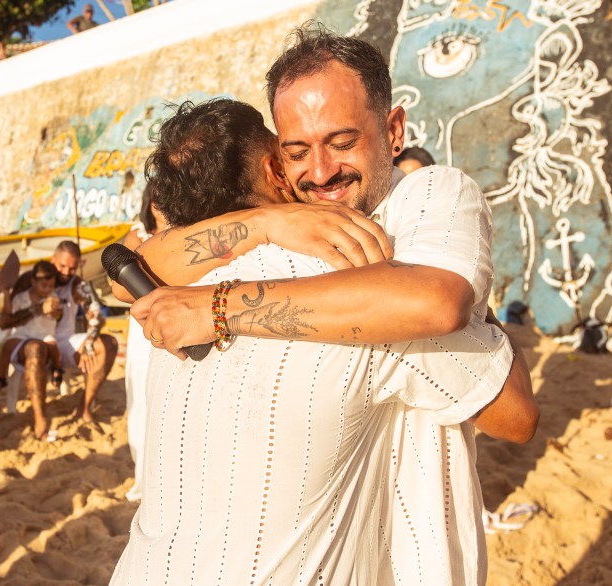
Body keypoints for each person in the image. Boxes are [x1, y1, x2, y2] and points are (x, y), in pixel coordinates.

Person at [110, 97, 537, 584]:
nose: (317, 170)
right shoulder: (356, 298)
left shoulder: (170, 294)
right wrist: (466, 289)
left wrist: (259, 234)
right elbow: (516, 414)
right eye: (294, 151)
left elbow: (124, 267)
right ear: (275, 167)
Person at [121, 185, 167, 501]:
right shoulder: (137, 235)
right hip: (145, 326)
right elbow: (119, 285)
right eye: (157, 199)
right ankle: (146, 475)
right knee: (143, 398)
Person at [50, 241, 119, 426]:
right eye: (62, 266)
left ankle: (84, 407)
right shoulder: (38, 278)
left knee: (108, 344)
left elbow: (96, 315)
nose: (66, 272)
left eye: (72, 268)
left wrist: (89, 342)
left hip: (65, 342)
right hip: (40, 341)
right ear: (52, 260)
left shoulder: (77, 284)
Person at [0, 260, 63, 441]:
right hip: (23, 336)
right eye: (43, 285)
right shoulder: (22, 298)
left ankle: (57, 368)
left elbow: (58, 314)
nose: (47, 289)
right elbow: (8, 318)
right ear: (33, 282)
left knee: (52, 346)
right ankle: (1, 376)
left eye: (50, 285)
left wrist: (54, 311)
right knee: (8, 345)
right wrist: (7, 294)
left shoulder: (52, 297)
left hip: (44, 336)